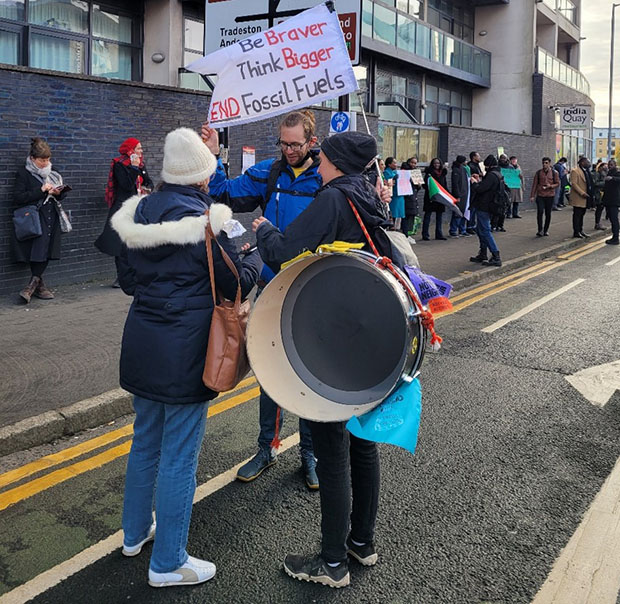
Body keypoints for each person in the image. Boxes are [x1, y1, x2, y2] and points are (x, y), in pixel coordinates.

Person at [112, 127, 262, 588]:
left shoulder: (135, 213)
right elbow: (235, 282)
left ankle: (135, 535)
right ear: (202, 176)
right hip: (188, 349)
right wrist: (254, 258)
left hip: (143, 342)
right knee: (179, 456)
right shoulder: (210, 221)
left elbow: (128, 282)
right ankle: (168, 562)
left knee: (144, 442)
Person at [252, 131, 391, 589]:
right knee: (363, 445)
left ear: (333, 162)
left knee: (332, 453)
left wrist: (264, 231)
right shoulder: (369, 196)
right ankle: (362, 543)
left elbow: (288, 250)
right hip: (370, 339)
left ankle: (332, 563)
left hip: (335, 341)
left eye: (323, 157)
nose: (318, 162)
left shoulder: (333, 199)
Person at [202, 110, 321, 488]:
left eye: (295, 144)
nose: (288, 150)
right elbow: (223, 193)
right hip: (272, 287)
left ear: (311, 143)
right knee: (270, 373)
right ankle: (266, 448)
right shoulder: (270, 173)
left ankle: (310, 454)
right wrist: (214, 156)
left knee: (309, 375)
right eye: (283, 143)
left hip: (311, 288)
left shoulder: (326, 178)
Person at [12, 137, 71, 303]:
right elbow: (18, 198)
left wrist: (60, 193)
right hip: (35, 218)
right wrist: (41, 190)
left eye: (48, 159)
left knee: (47, 250)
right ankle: (37, 286)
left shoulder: (53, 172)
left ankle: (33, 286)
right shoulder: (23, 173)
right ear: (32, 158)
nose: (45, 163)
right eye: (42, 160)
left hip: (52, 216)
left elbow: (61, 196)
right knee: (38, 250)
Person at [95, 137, 153, 287]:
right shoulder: (119, 164)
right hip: (123, 208)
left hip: (139, 207)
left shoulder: (141, 164)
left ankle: (136, 274)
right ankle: (122, 276)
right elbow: (126, 185)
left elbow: (148, 182)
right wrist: (134, 168)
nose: (141, 151)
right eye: (138, 148)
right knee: (120, 243)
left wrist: (147, 188)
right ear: (130, 150)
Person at [469, 155, 502, 267]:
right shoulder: (497, 174)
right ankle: (483, 253)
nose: (485, 167)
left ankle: (496, 255)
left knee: (485, 231)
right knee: (480, 230)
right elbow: (486, 186)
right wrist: (480, 180)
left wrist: (474, 182)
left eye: (486, 165)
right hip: (490, 206)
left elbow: (480, 189)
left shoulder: (492, 175)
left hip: (485, 206)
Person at [530, 157, 559, 237]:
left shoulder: (554, 173)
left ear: (549, 163)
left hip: (550, 196)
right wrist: (532, 195)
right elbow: (535, 184)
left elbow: (557, 183)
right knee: (540, 212)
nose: (544, 164)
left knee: (548, 213)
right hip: (540, 195)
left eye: (546, 163)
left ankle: (546, 230)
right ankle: (540, 230)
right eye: (543, 163)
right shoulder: (538, 173)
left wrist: (551, 186)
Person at [421, 157, 447, 241]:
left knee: (439, 216)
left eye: (438, 163)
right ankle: (425, 234)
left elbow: (444, 185)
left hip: (440, 197)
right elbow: (425, 185)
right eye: (435, 163)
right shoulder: (429, 173)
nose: (437, 165)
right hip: (430, 197)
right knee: (428, 215)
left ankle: (439, 234)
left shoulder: (443, 173)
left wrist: (448, 195)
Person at [569, 157, 593, 239]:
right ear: (582, 162)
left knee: (582, 214)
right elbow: (574, 184)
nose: (589, 164)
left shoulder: (586, 171)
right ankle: (576, 232)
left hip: (585, 197)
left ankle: (581, 230)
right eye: (587, 162)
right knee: (577, 215)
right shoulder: (575, 171)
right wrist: (582, 193)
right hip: (578, 196)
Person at [449, 155, 470, 237]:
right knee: (458, 212)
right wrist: (457, 195)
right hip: (460, 194)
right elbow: (455, 184)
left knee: (463, 212)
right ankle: (453, 230)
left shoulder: (463, 169)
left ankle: (462, 229)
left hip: (464, 194)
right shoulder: (456, 170)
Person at [400, 157, 420, 237]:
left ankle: (408, 233)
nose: (413, 165)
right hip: (406, 196)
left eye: (415, 163)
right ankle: (405, 234)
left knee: (411, 215)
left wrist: (418, 185)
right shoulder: (404, 171)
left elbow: (418, 187)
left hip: (413, 196)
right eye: (412, 162)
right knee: (406, 216)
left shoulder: (415, 172)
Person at [383, 157, 405, 231]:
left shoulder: (395, 172)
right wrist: (393, 179)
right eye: (394, 163)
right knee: (393, 213)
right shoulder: (386, 172)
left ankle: (397, 228)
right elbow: (387, 183)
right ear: (389, 164)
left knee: (399, 215)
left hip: (400, 195)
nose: (396, 164)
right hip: (394, 196)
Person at [603, 159, 620, 245]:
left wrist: (612, 178)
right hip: (608, 200)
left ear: (615, 165)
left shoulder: (617, 173)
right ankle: (614, 236)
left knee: (614, 219)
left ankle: (616, 237)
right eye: (609, 164)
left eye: (612, 165)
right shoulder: (608, 173)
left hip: (614, 200)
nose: (610, 166)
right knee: (611, 218)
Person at [466, 151, 483, 234]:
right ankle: (469, 226)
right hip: (473, 189)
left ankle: (473, 225)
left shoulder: (478, 165)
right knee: (472, 208)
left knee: (475, 208)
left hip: (478, 188)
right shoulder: (470, 165)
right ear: (474, 157)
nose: (479, 157)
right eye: (478, 156)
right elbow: (469, 176)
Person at [593, 162, 608, 230]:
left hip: (603, 193)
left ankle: (598, 223)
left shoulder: (604, 174)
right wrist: (605, 182)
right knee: (599, 208)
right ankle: (597, 223)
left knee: (601, 208)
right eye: (604, 167)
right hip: (598, 193)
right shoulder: (597, 174)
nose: (606, 168)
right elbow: (595, 183)